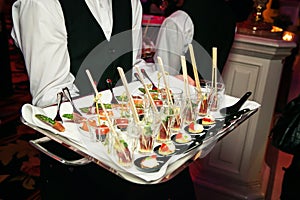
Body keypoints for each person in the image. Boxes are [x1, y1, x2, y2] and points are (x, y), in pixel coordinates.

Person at [11, 0, 197, 199]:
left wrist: (165, 82)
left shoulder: (131, 3)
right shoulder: (41, 3)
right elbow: (51, 95)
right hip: (77, 162)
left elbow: (131, 68)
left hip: (128, 151)